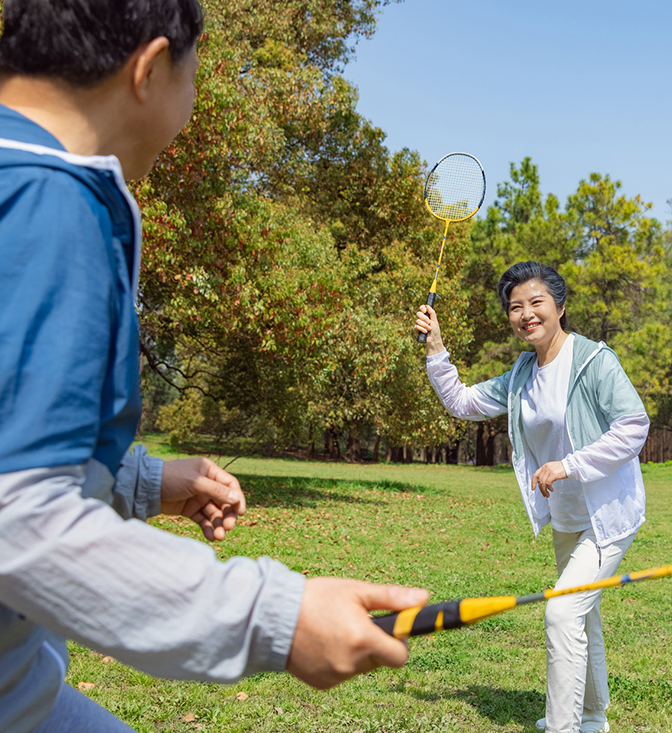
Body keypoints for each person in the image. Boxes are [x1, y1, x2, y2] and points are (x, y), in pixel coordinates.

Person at [0, 1, 428, 731]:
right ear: (150, 68)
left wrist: (136, 479)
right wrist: (278, 616)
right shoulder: (47, 202)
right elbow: (20, 517)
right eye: (196, 74)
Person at [415, 261, 649, 733]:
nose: (526, 314)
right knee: (584, 614)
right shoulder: (522, 373)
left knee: (562, 611)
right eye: (516, 306)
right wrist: (436, 347)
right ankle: (592, 716)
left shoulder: (594, 361)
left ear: (560, 307)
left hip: (606, 515)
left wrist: (569, 464)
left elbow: (634, 426)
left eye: (536, 302)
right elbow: (462, 401)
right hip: (566, 516)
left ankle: (565, 728)